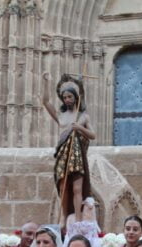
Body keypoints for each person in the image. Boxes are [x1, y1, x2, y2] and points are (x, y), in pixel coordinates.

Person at [41, 72, 96, 223]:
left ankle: (78, 219)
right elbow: (45, 102)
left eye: (70, 97)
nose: (67, 100)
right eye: (64, 97)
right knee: (63, 189)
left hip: (76, 154)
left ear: (75, 97)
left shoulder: (83, 116)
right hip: (63, 154)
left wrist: (80, 128)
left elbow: (93, 135)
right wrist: (46, 82)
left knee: (77, 188)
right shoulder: (61, 116)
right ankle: (65, 219)